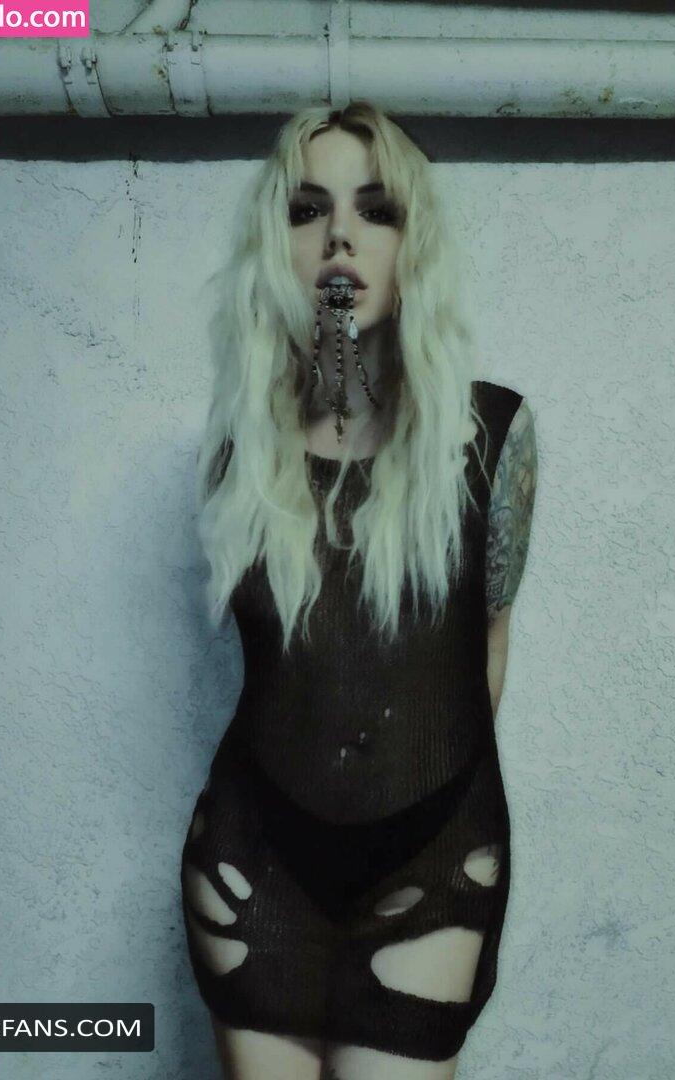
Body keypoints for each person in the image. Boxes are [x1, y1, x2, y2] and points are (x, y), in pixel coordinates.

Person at [181, 101, 538, 1080]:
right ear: (277, 246)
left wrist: (405, 795)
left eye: (375, 210)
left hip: (433, 857)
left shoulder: (490, 438)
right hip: (251, 859)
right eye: (307, 210)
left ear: (412, 242)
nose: (339, 234)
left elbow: (486, 644)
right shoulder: (239, 455)